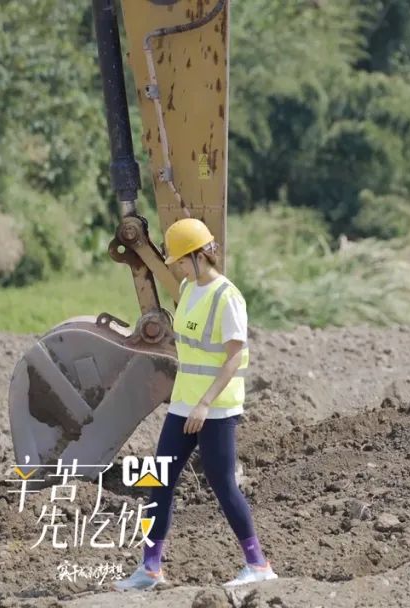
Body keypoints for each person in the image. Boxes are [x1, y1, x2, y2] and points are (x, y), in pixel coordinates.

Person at [115, 218, 277, 590]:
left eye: (178, 260)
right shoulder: (188, 288)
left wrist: (205, 404)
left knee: (222, 484)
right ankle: (150, 569)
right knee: (161, 480)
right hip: (184, 405)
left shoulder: (227, 297)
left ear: (198, 255)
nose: (175, 267)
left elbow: (235, 357)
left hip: (215, 409)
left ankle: (258, 564)